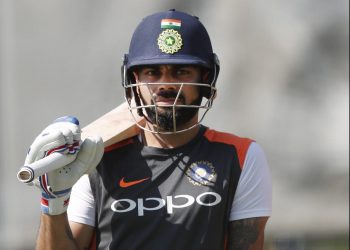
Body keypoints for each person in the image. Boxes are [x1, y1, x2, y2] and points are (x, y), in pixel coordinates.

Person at [24, 9, 272, 250]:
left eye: (181, 71)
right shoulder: (97, 157)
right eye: (153, 72)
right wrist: (53, 203)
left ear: (206, 79)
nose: (166, 85)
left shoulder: (239, 156)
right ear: (134, 81)